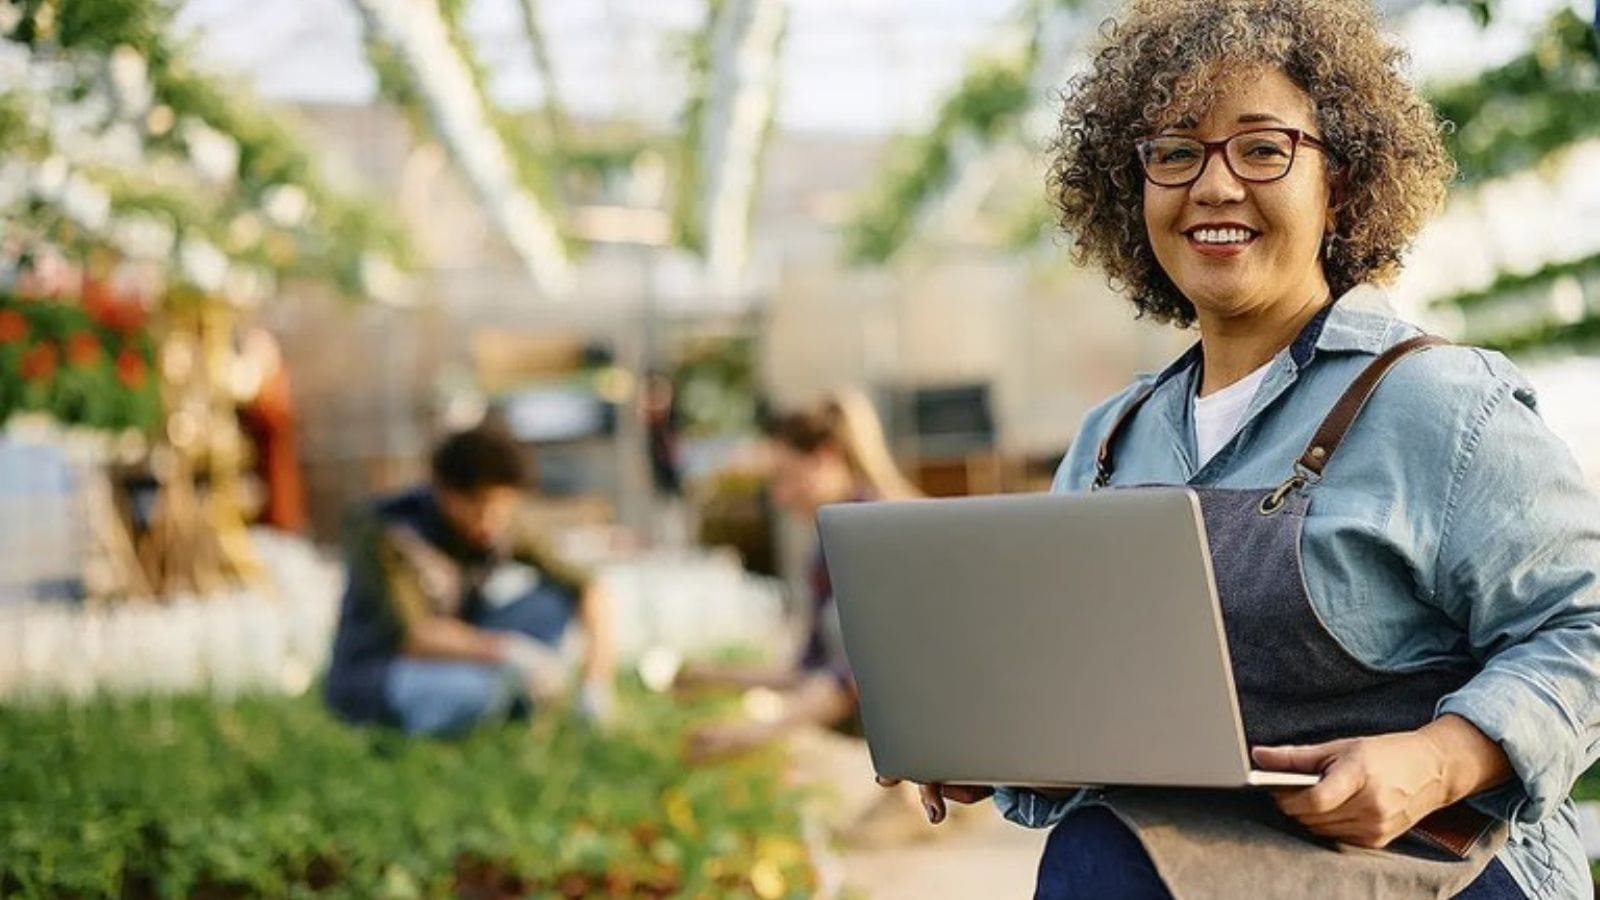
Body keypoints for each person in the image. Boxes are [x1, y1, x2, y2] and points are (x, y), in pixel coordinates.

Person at [882, 2, 1600, 897]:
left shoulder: (1439, 403)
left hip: (1438, 867)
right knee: (1101, 851)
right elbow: (1098, 723)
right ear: (1131, 187)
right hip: (1200, 865)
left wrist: (1442, 759)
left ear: (1340, 181)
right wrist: (1001, 746)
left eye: (1263, 149)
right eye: (1176, 152)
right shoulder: (1113, 442)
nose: (1215, 187)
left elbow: (1585, 626)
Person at [324, 426, 617, 737]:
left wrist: (595, 684)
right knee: (482, 691)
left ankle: (513, 700)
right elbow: (416, 636)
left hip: (462, 650)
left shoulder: (500, 521)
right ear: (447, 494)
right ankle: (492, 706)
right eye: (482, 507)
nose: (492, 521)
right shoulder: (389, 530)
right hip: (384, 670)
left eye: (504, 509)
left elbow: (590, 587)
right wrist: (511, 652)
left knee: (553, 602)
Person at [683, 388, 921, 760]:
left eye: (786, 477)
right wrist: (712, 677)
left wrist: (754, 734)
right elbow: (812, 669)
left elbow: (866, 672)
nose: (779, 497)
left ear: (824, 457)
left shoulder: (880, 531)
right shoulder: (829, 543)